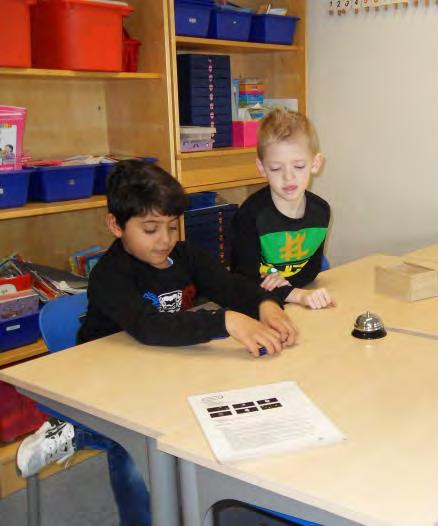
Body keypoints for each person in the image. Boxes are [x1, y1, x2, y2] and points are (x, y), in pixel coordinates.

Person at [17, 160, 297, 526]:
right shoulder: (109, 274)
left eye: (171, 226)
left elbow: (230, 286)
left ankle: (82, 432)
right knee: (134, 454)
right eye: (150, 229)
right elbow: (147, 327)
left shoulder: (185, 256)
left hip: (162, 372)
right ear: (115, 225)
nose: (165, 240)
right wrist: (223, 320)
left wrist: (266, 306)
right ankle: (78, 427)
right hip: (110, 383)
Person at [229, 108, 336, 310]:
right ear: (262, 168)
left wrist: (285, 286)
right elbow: (243, 280)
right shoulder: (250, 215)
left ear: (315, 164)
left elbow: (310, 271)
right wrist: (294, 294)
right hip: (261, 305)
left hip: (291, 302)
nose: (288, 177)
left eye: (298, 166)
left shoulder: (321, 212)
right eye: (276, 168)